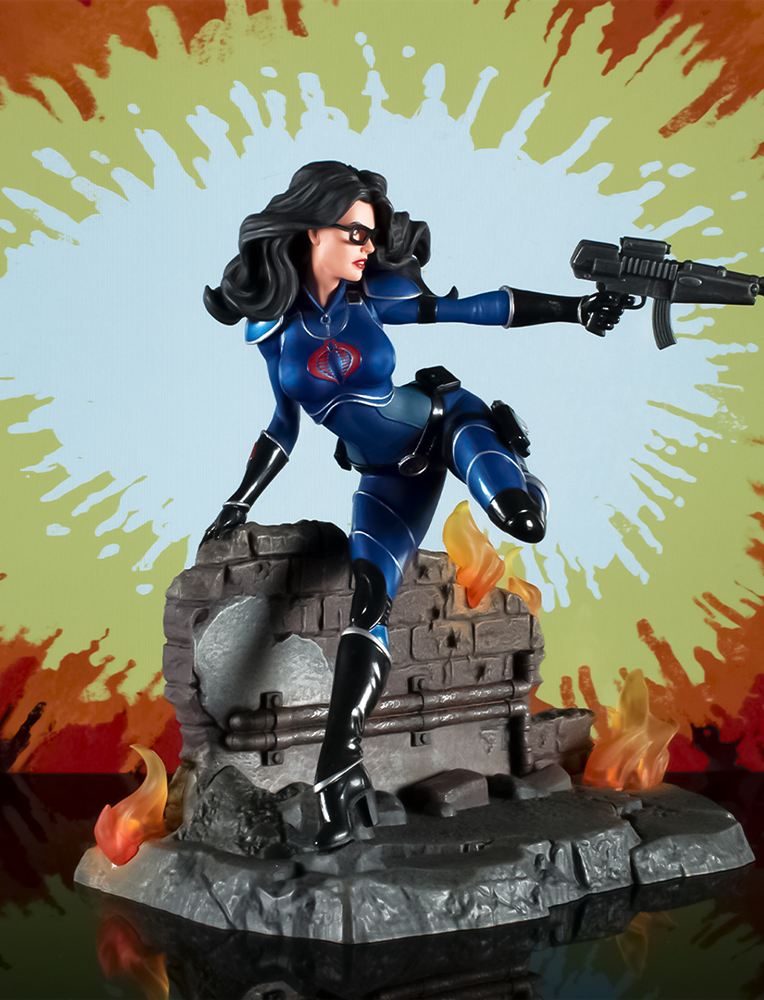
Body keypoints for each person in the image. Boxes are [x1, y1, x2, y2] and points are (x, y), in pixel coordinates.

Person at [201, 161, 623, 850]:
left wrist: (574, 310)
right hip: (384, 479)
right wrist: (237, 502)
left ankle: (511, 459)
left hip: (444, 423)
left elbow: (476, 309)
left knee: (522, 521)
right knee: (368, 607)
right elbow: (282, 429)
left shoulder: (373, 301)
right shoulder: (273, 330)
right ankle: (338, 772)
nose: (368, 247)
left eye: (372, 235)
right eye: (355, 232)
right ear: (311, 231)